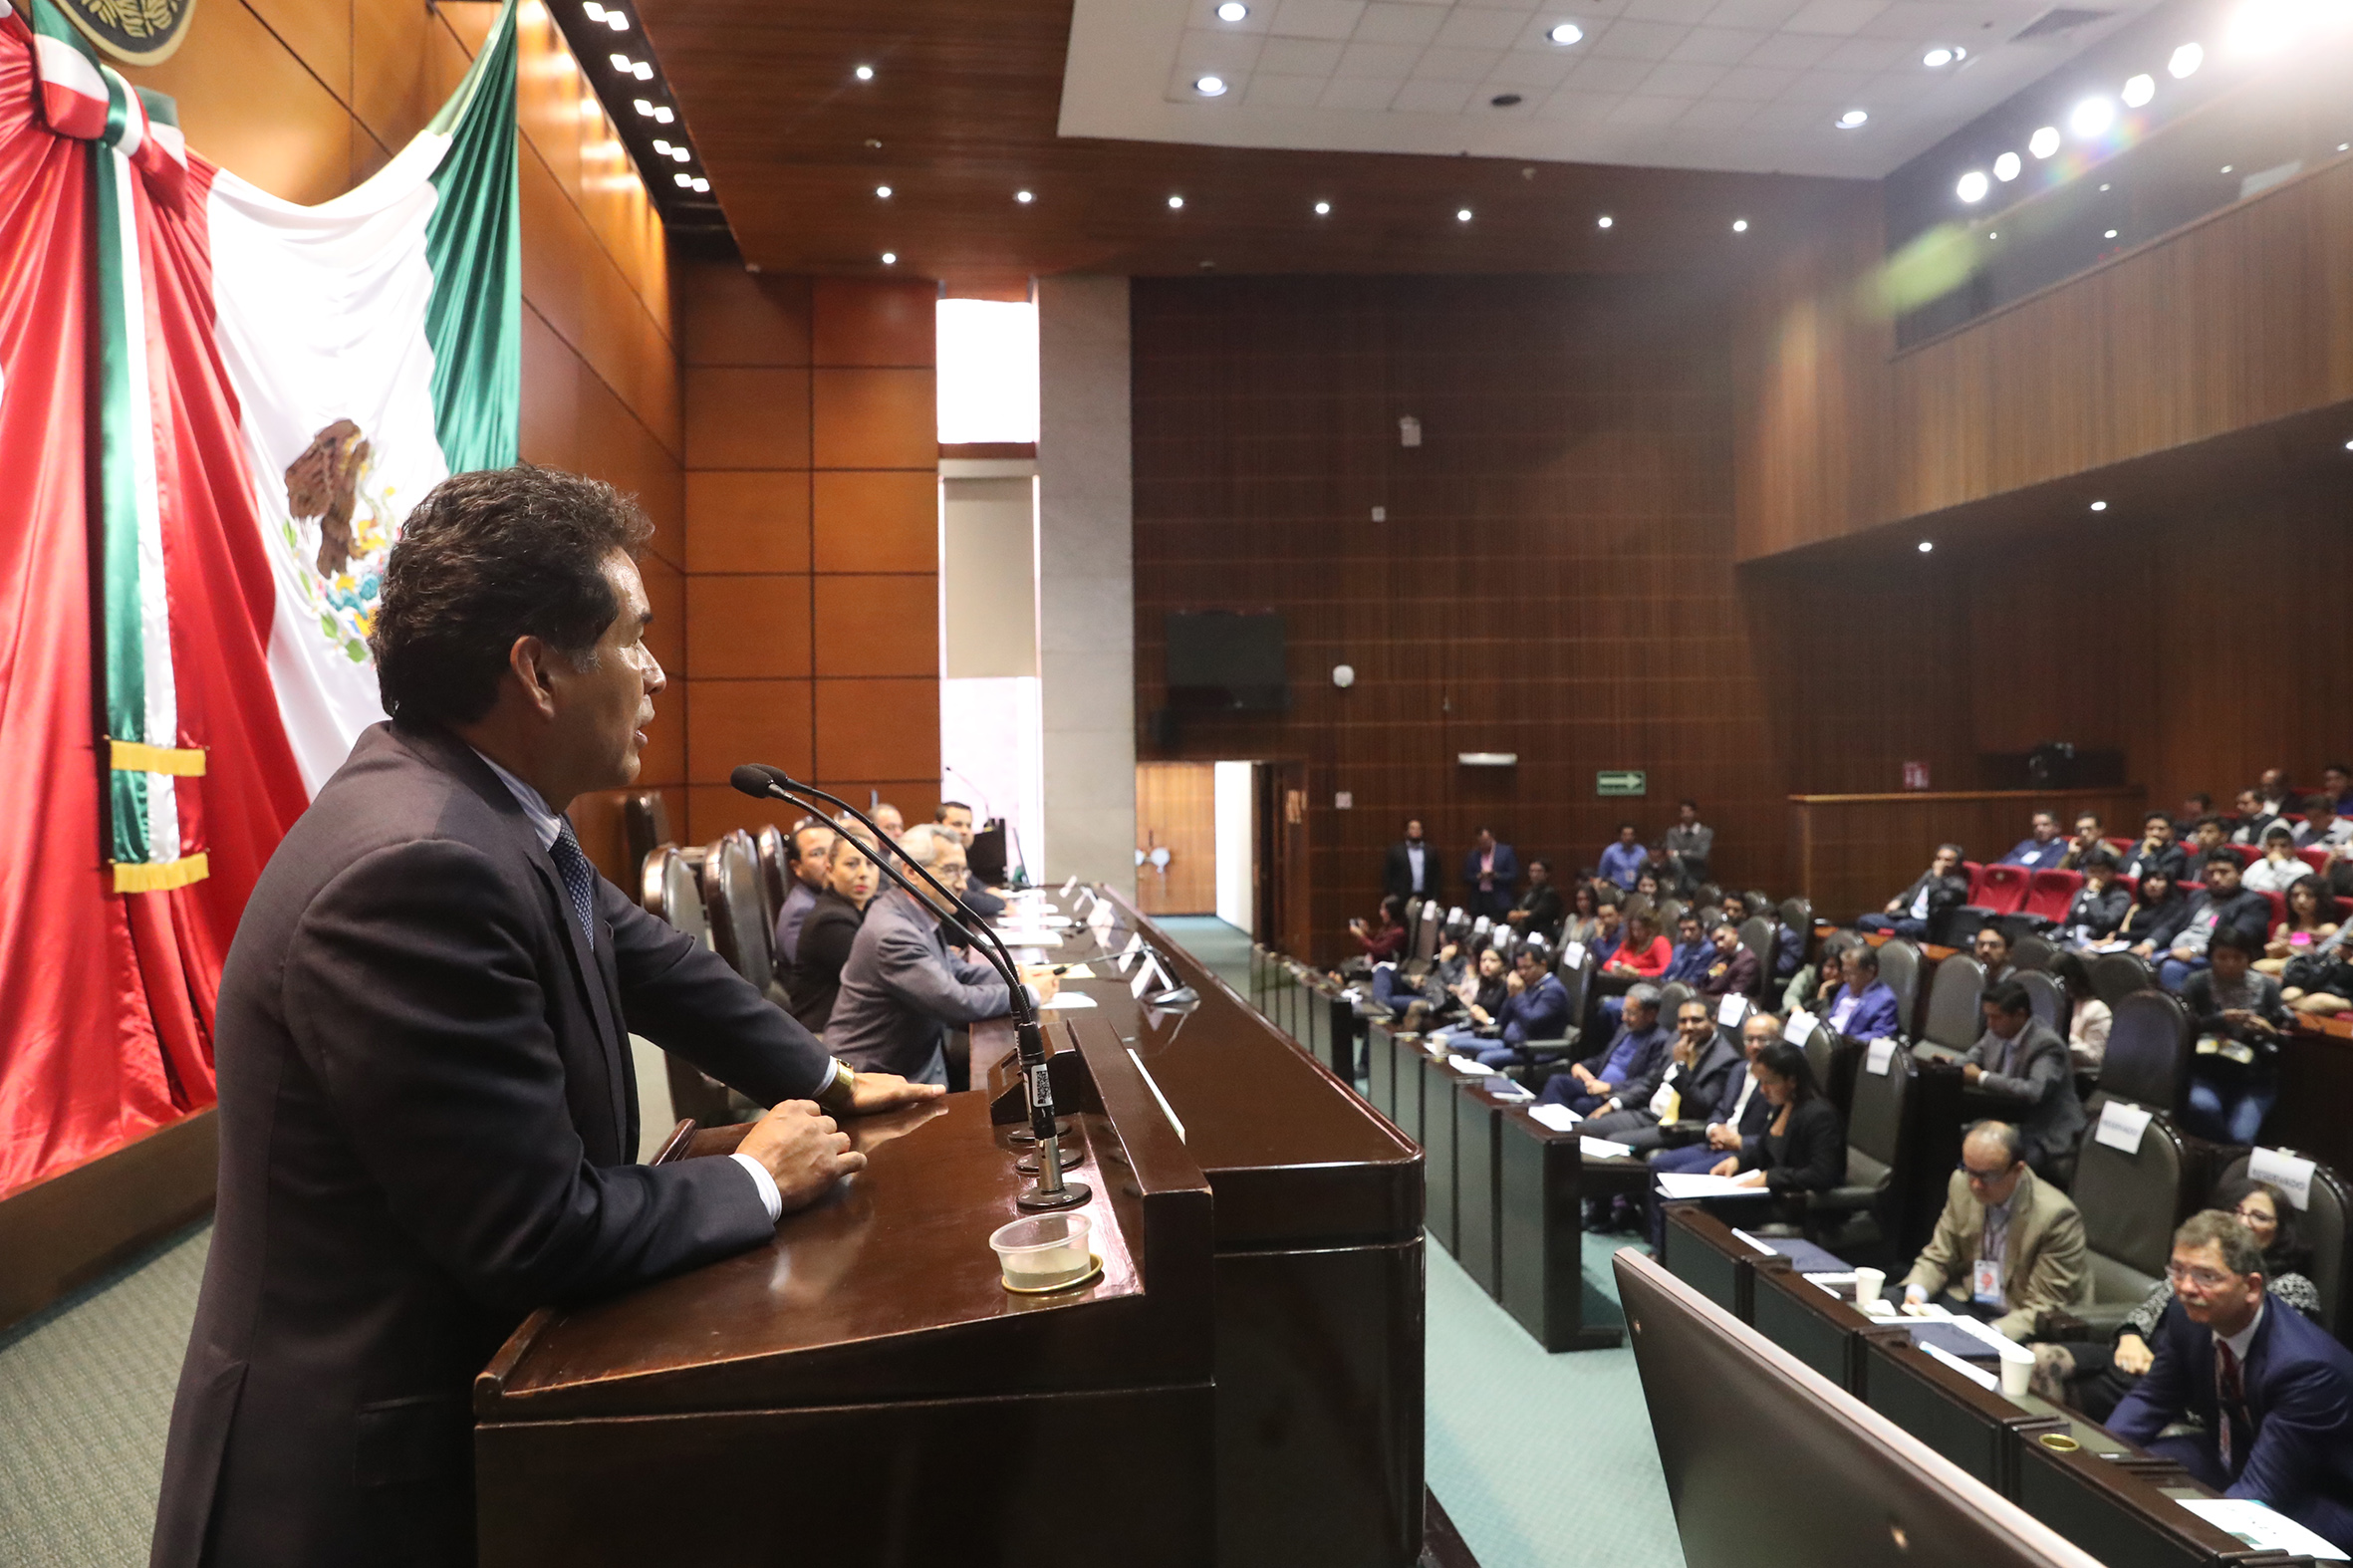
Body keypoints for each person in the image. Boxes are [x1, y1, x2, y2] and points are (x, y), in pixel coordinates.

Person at [147, 466, 945, 1568]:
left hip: (444, 1401)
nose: (657, 673)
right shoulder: (418, 868)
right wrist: (758, 1176)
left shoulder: (485, 813)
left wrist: (828, 1076)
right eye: (635, 637)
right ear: (536, 670)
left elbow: (651, 959)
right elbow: (534, 1231)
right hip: (357, 1480)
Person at [2107, 1210, 2353, 1553]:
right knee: (2131, 1474)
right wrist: (2101, 1459)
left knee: (2208, 1540)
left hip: (2320, 1491)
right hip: (2234, 1452)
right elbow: (2151, 1400)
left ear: (2251, 1287)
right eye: (2178, 1270)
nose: (2186, 1288)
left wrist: (2186, 1541)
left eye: (2206, 1276)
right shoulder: (2187, 1317)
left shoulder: (2305, 1367)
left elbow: (2262, 1489)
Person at [2047, 1179, 2324, 1423]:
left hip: (2186, 1388)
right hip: (2143, 1359)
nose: (2243, 1222)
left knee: (2069, 1387)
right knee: (2043, 1357)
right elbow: (2150, 1307)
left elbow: (2254, 1360)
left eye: (2259, 1217)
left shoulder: (2291, 1287)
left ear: (2280, 1231)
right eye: (2236, 1211)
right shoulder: (2200, 1261)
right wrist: (2130, 1336)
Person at [826, 823, 1059, 1085]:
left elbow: (958, 971)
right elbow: (956, 1001)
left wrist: (1015, 976)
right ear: (911, 872)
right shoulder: (894, 933)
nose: (961, 884)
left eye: (963, 871)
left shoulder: (915, 912)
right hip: (872, 1076)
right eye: (950, 870)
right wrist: (1029, 994)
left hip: (910, 1061)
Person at [1899, 1122, 2088, 1340]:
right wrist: (1916, 1294)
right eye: (1970, 1171)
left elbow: (2045, 1307)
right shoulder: (1961, 1183)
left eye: (1988, 1176)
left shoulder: (2056, 1216)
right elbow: (1938, 1256)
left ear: (2018, 1170)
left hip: (2017, 1322)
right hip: (1970, 1303)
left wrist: (1987, 1335)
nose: (1976, 1185)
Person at [1699, 1040, 1847, 1221]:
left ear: (1792, 1080)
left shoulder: (1820, 1116)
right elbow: (1763, 1151)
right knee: (1704, 1203)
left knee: (1714, 1209)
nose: (1763, 1090)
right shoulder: (1783, 1106)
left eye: (1769, 1083)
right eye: (1761, 1082)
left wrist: (1770, 1178)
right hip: (1776, 1195)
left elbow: (1822, 1174)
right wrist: (1738, 1161)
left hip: (1800, 1206)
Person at [1579, 997, 1743, 1152]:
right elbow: (1652, 1082)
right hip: (1650, 1114)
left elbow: (1701, 1107)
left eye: (1696, 1020)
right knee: (1583, 1129)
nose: (1688, 1027)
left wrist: (1681, 1066)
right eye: (1683, 1021)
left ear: (1713, 1021)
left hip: (1676, 1125)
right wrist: (1615, 1103)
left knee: (1613, 1143)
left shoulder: (1724, 1060)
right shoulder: (1676, 1039)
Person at [1961, 980, 2085, 1181]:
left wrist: (1982, 1078)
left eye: (1996, 1017)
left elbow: (2035, 1091)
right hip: (2007, 1120)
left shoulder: (2046, 1045)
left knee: (1995, 1163)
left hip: (2043, 1131)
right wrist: (1950, 1067)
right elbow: (1968, 1062)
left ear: (2019, 1015)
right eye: (1987, 1016)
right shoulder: (1994, 1033)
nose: (1989, 1024)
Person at [2179, 927, 2292, 1145]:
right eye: (2222, 957)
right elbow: (2182, 1029)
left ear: (2249, 958)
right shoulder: (2197, 983)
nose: (2230, 964)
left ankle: (2225, 1154)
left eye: (2237, 958)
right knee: (2203, 1108)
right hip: (2207, 1071)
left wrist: (2268, 1031)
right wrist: (2219, 1020)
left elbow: (2285, 1040)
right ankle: (2218, 1155)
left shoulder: (2268, 987)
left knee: (2241, 1137)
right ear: (2211, 957)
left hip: (2254, 1078)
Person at [1650, 1011, 1780, 1176]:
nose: (1755, 1046)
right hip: (1717, 1144)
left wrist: (1740, 1141)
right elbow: (1720, 1108)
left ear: (1778, 1041)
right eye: (1749, 1039)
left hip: (1744, 1153)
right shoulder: (1739, 1070)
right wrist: (1714, 1129)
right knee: (1657, 1164)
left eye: (1762, 1039)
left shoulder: (1780, 1081)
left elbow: (1778, 1135)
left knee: (1681, 1174)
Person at [790, 830, 881, 1032]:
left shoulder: (870, 905)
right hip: (827, 1033)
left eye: (871, 864)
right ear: (830, 870)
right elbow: (879, 976)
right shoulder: (829, 920)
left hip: (857, 1024)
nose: (863, 873)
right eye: (851, 864)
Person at [2145, 851, 2272, 991]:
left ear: (2240, 874)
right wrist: (2149, 944)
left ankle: (2177, 1005)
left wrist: (2194, 950)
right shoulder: (2197, 896)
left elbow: (2237, 938)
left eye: (2223, 872)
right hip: (2175, 951)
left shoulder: (2252, 902)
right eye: (2211, 873)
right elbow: (2171, 924)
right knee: (2140, 961)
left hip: (2214, 958)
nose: (2216, 878)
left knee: (2171, 968)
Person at [1538, 983, 1670, 1114]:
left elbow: (1647, 1083)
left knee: (1581, 1104)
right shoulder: (1625, 1029)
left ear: (1651, 1015)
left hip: (1617, 1094)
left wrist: (1609, 1087)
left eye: (1631, 1013)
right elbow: (1604, 1058)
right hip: (1596, 1084)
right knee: (1557, 1081)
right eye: (1624, 1011)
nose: (1624, 1018)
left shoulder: (1660, 1041)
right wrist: (1582, 1066)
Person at [1473, 945, 1573, 1071]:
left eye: (1527, 967)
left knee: (1484, 1058)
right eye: (1519, 968)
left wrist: (1518, 995)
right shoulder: (1528, 985)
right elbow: (1503, 1022)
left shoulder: (1553, 990)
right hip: (1510, 1044)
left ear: (1543, 964)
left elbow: (1532, 1022)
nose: (1523, 973)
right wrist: (1511, 993)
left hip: (1533, 1051)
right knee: (1457, 1044)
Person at [1858, 843, 1967, 940]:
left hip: (1928, 923)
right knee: (1866, 921)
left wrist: (1937, 878)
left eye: (1947, 860)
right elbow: (1911, 891)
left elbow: (1938, 900)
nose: (1941, 863)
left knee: (1904, 927)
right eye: (1938, 859)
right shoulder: (1929, 874)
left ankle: (1899, 955)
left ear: (1957, 865)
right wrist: (1898, 901)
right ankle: (1871, 953)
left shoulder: (1958, 885)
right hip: (1908, 915)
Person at [772, 815, 838, 968]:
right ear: (797, 867)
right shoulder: (801, 912)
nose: (829, 861)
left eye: (833, 851)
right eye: (817, 853)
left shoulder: (828, 897)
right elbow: (807, 971)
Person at [1427, 946, 1511, 1047]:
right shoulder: (1484, 983)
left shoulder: (1507, 988)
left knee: (1448, 1042)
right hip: (1472, 1026)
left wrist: (1487, 1020)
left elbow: (1504, 1022)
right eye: (1483, 960)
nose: (1487, 964)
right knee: (1431, 1037)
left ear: (1503, 964)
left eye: (1493, 960)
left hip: (1489, 1033)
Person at [934, 800, 1003, 919]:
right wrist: (1000, 901)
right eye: (957, 824)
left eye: (968, 826)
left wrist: (988, 891)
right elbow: (971, 903)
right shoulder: (935, 857)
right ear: (936, 827)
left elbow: (976, 885)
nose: (964, 831)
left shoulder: (960, 858)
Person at [2261, 875, 2341, 976]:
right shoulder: (2284, 928)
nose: (2301, 901)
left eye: (2309, 895)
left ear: (2320, 899)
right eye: (2295, 895)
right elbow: (2272, 959)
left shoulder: (2328, 930)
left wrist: (2290, 950)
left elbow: (2326, 962)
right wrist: (2274, 950)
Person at [2049, 951, 2113, 1073]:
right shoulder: (2051, 1006)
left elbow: (2097, 1059)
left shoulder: (2097, 1010)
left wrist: (2065, 1037)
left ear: (2072, 980)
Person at [1825, 944, 1902, 1040]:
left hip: (1849, 1045)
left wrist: (1848, 1041)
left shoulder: (1885, 1000)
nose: (1845, 979)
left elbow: (1881, 1034)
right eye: (1845, 972)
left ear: (1870, 972)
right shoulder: (1846, 987)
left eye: (1851, 973)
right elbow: (1832, 1017)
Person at [2061, 854, 2129, 943]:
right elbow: (2068, 922)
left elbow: (2103, 923)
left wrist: (2093, 895)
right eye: (2092, 872)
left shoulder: (2120, 897)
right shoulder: (2081, 892)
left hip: (2096, 942)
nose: (2096, 877)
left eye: (2102, 872)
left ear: (2113, 874)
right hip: (2071, 937)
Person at [2114, 869, 2185, 953]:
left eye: (2159, 880)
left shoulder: (2175, 907)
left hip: (2155, 948)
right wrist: (2130, 914)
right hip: (2127, 945)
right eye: (2147, 880)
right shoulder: (2138, 906)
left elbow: (2153, 931)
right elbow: (2124, 930)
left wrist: (2117, 935)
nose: (2152, 884)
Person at [1461, 826, 1519, 920]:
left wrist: (1496, 875)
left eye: (1486, 841)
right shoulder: (1473, 855)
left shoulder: (1505, 852)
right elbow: (1466, 876)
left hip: (1499, 899)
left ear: (1492, 837)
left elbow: (1513, 875)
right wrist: (1478, 876)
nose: (1483, 844)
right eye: (1481, 842)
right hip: (1479, 899)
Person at [1698, 919, 1760, 1001]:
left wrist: (1704, 1000)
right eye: (1715, 942)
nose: (1719, 945)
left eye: (1722, 938)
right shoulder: (1720, 958)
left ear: (1734, 932)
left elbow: (1734, 996)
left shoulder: (1748, 961)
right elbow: (1705, 983)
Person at [2121, 811, 2190, 884]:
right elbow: (2123, 869)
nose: (2155, 833)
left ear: (2171, 832)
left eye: (2161, 829)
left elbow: (2159, 878)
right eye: (2150, 829)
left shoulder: (2175, 853)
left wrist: (2146, 855)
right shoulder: (2136, 846)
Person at [1782, 939, 1846, 1018]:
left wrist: (1824, 994)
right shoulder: (1808, 974)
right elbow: (1791, 995)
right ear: (1821, 966)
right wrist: (1801, 1015)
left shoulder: (1847, 986)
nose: (1836, 972)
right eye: (1830, 966)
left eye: (1840, 968)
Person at [1505, 856, 1564, 938]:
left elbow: (1537, 914)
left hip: (1540, 934)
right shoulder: (1529, 891)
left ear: (1547, 874)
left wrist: (1518, 915)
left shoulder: (1550, 893)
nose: (1535, 874)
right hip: (1524, 932)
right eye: (1532, 871)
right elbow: (1518, 908)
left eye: (1539, 871)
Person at [1384, 817, 1440, 902]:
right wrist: (1393, 893)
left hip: (1425, 896)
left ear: (1422, 831)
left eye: (1418, 828)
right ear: (1406, 832)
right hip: (1402, 897)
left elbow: (1437, 875)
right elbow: (1388, 874)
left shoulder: (1430, 851)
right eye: (1412, 828)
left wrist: (1434, 896)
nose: (1415, 831)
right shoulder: (1396, 851)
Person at [2243, 823, 2305, 894]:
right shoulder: (2259, 864)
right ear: (2265, 848)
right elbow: (2244, 885)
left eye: (2283, 846)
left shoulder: (2302, 869)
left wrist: (2279, 863)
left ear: (2292, 848)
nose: (2276, 850)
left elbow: (2288, 890)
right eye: (2271, 846)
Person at [1664, 799, 1714, 885]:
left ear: (1696, 813)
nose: (1686, 815)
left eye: (1689, 812)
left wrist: (1679, 853)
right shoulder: (1673, 832)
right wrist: (1690, 853)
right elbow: (1670, 854)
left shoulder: (1706, 833)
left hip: (1697, 874)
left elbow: (1701, 855)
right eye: (1683, 812)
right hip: (1677, 875)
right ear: (1680, 814)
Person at [1348, 894, 1409, 964]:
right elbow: (1378, 942)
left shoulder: (1399, 932)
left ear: (1392, 911)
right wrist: (1366, 932)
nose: (1380, 913)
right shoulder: (1389, 927)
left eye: (1383, 909)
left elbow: (1378, 950)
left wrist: (1361, 935)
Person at [1998, 811, 2070, 871]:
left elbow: (2046, 870)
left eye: (2045, 825)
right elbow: (2002, 863)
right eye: (2035, 826)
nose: (2039, 829)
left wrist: (2017, 865)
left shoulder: (2062, 848)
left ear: (2057, 827)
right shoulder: (2025, 844)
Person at [1663, 912, 1714, 986]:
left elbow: (1696, 979)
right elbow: (1666, 974)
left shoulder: (1708, 950)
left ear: (1702, 929)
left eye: (1692, 929)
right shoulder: (1678, 949)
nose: (1687, 934)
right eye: (1683, 930)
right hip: (1669, 986)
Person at [1598, 822, 1647, 892]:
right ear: (1620, 836)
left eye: (1631, 835)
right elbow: (1603, 874)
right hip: (1616, 890)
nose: (1628, 838)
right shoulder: (1610, 851)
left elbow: (1646, 872)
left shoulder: (1642, 851)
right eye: (1625, 835)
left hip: (1637, 890)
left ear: (1634, 836)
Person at [1560, 881, 1603, 949]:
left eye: (1586, 899)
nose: (1582, 903)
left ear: (1592, 900)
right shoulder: (1571, 918)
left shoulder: (1596, 921)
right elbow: (1563, 943)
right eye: (1579, 900)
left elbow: (1592, 945)